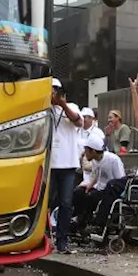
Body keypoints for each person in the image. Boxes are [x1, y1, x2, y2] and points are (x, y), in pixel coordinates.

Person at [48, 79, 83, 254]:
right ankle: (43, 239)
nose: (52, 94)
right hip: (49, 165)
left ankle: (62, 241)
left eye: (55, 91)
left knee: (66, 203)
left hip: (68, 164)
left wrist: (62, 104)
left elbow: (78, 122)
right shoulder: (43, 110)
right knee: (45, 203)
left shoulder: (72, 107)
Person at [74, 136, 127, 232]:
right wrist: (89, 185)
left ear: (93, 151)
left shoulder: (113, 160)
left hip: (111, 191)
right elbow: (96, 175)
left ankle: (94, 223)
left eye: (86, 150)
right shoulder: (94, 160)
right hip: (99, 187)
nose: (84, 154)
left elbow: (120, 180)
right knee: (78, 192)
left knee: (91, 197)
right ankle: (79, 221)